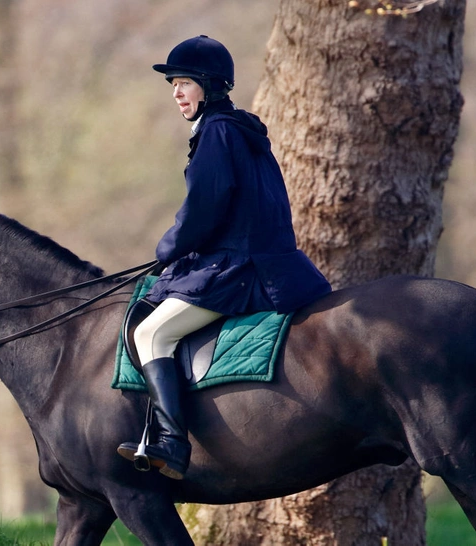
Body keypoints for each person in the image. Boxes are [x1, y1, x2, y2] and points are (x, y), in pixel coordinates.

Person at [117, 35, 332, 480]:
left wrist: (168, 249)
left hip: (237, 269)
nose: (176, 92)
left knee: (151, 334)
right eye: (173, 84)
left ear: (209, 86)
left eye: (184, 83)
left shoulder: (217, 132)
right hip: (262, 260)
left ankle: (171, 444)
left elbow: (204, 210)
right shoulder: (240, 130)